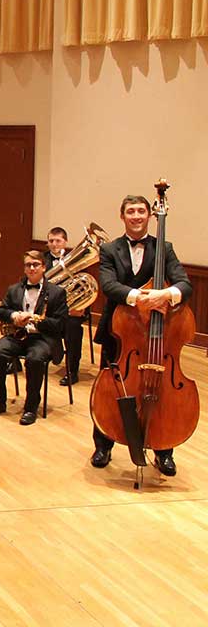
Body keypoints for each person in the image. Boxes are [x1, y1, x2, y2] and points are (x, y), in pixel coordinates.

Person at [90, 194, 191, 476]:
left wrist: (166, 294)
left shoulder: (164, 248)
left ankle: (163, 449)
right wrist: (138, 298)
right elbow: (109, 285)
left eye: (141, 211)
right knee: (110, 390)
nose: (136, 216)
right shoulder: (110, 249)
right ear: (122, 216)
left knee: (161, 390)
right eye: (130, 211)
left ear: (149, 216)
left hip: (159, 336)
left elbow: (184, 283)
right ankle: (103, 445)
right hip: (119, 333)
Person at [0, 251, 68, 426]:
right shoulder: (15, 289)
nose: (32, 268)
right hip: (17, 336)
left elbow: (60, 325)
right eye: (28, 265)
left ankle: (30, 408)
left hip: (42, 338)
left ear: (44, 267)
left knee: (34, 360)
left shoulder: (57, 292)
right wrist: (14, 316)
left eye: (36, 264)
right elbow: (0, 312)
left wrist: (35, 319)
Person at [44, 227, 86, 386]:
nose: (54, 244)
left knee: (73, 328)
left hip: (70, 310)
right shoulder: (39, 260)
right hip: (47, 309)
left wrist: (80, 307)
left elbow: (84, 285)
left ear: (65, 242)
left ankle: (72, 371)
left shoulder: (76, 259)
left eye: (58, 241)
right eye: (51, 241)